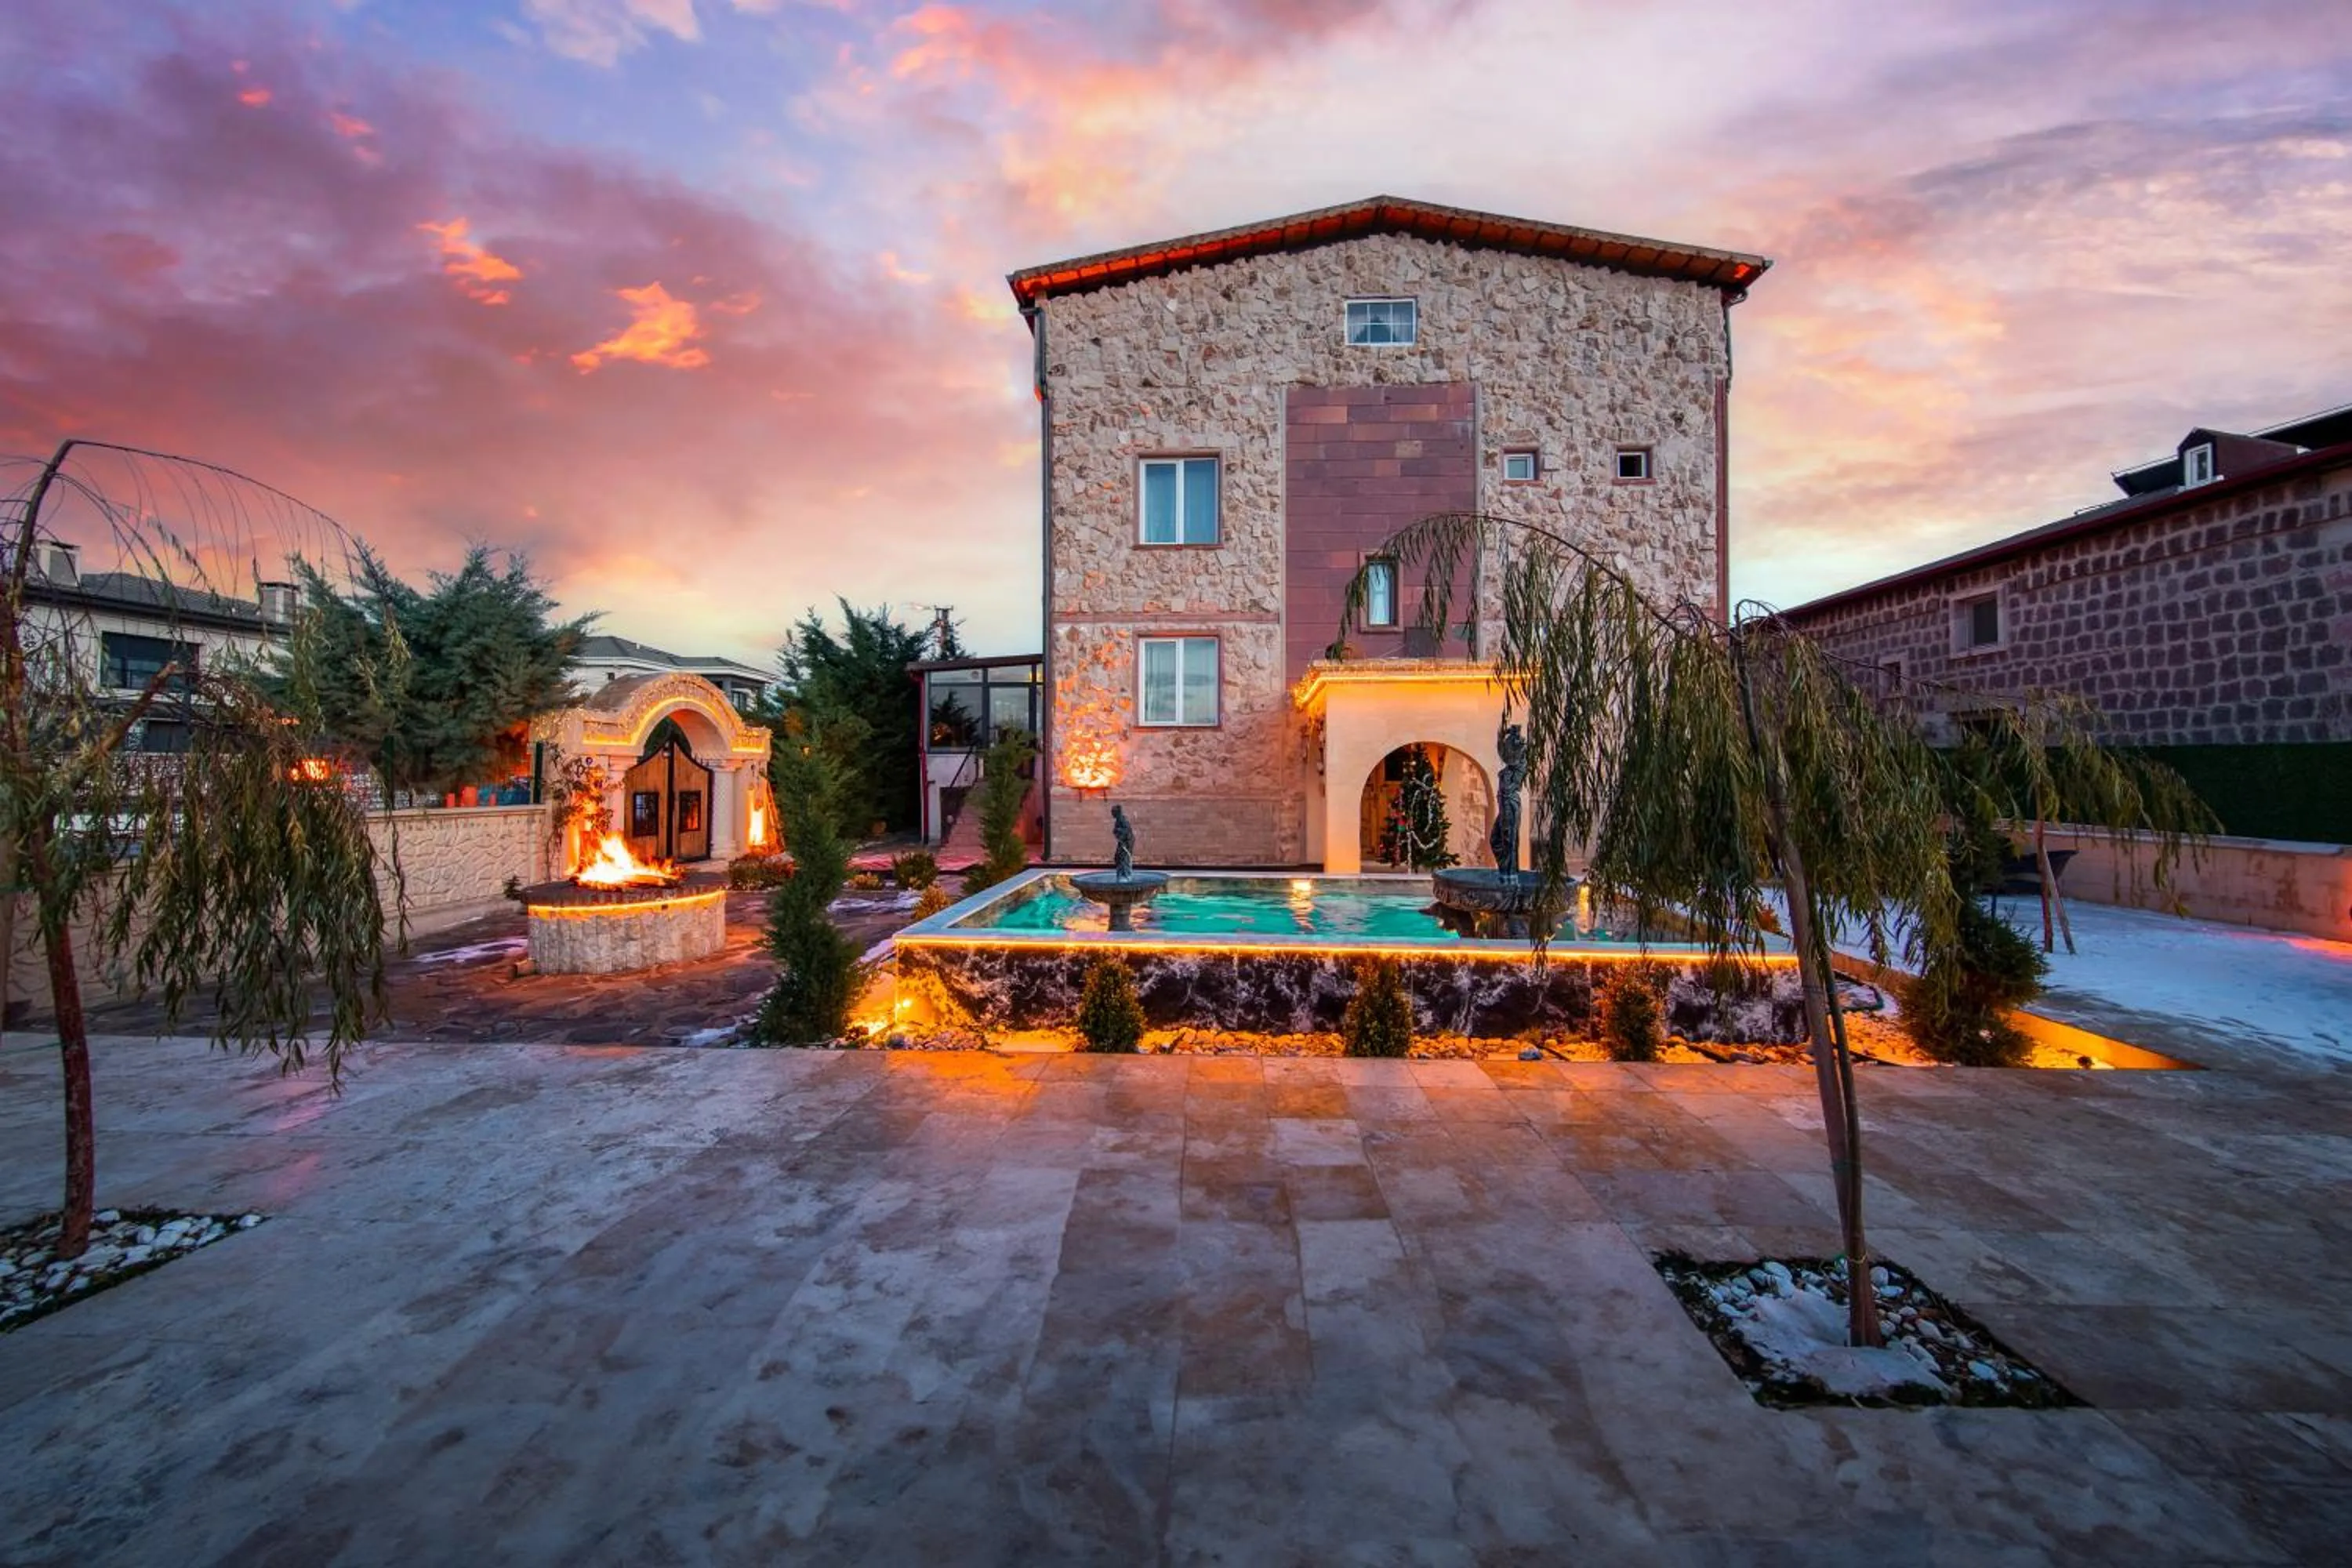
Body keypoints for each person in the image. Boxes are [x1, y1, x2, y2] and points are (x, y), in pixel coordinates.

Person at [1111, 802, 1136, 881]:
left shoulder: (1122, 820)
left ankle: (1126, 875)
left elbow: (1127, 831)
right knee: (1117, 857)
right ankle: (1121, 873)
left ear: (1116, 812)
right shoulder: (1118, 820)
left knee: (1124, 858)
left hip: (1126, 843)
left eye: (1113, 812)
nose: (1112, 814)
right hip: (1122, 842)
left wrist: (1117, 831)